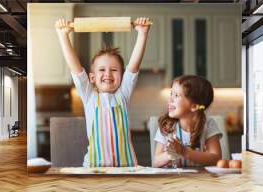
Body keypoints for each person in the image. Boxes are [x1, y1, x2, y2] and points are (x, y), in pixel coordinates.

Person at [55, 17, 151, 167]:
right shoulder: (89, 96)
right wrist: (63, 35)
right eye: (102, 70)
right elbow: (76, 68)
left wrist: (142, 34)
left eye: (114, 70)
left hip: (126, 167)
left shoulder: (123, 94)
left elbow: (134, 66)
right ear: (92, 77)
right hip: (94, 167)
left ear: (122, 76)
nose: (108, 74)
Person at [153, 75, 222, 168]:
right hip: (172, 180)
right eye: (171, 94)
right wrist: (171, 154)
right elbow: (155, 162)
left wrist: (184, 151)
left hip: (201, 180)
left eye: (176, 95)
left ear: (194, 106)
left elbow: (216, 158)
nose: (170, 99)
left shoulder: (208, 124)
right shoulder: (167, 125)